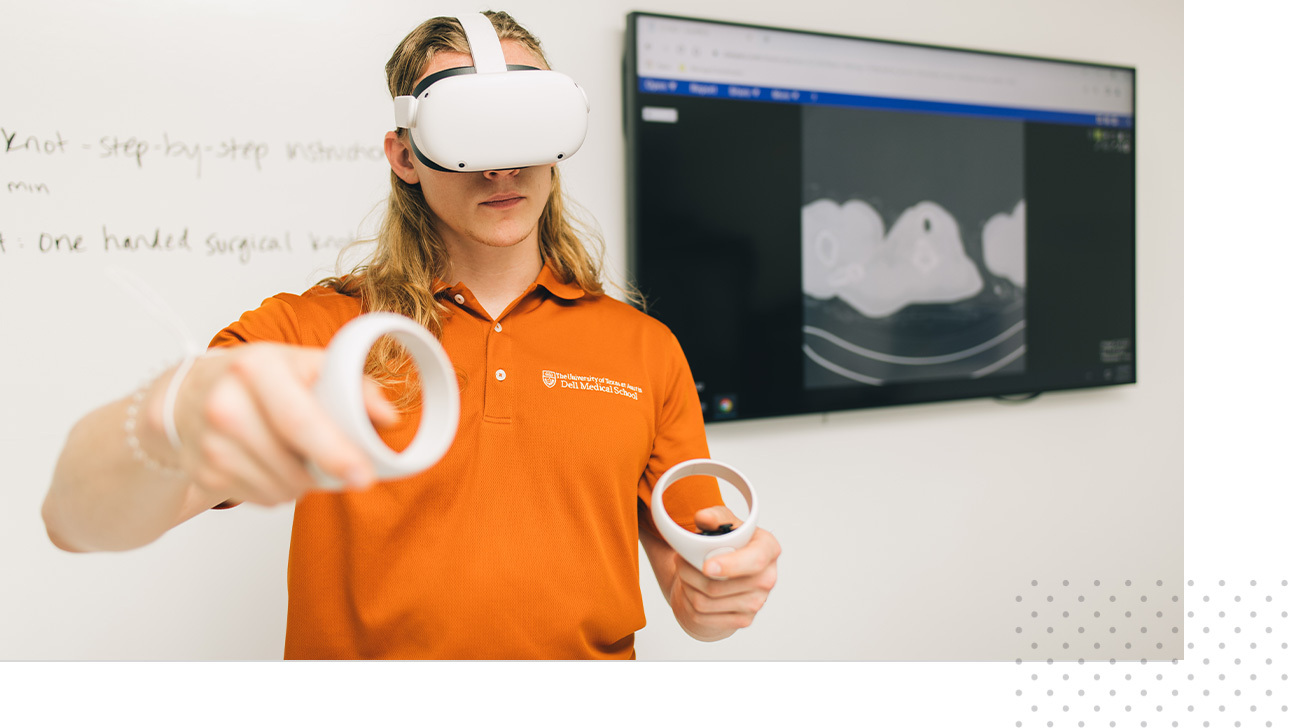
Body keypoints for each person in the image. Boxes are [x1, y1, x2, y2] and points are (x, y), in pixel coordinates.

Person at [41, 11, 780, 660]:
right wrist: (173, 410)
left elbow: (698, 597)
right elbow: (71, 519)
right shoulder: (318, 332)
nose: (502, 164)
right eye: (467, 132)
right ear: (404, 156)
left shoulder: (644, 348)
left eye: (525, 125)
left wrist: (719, 597)